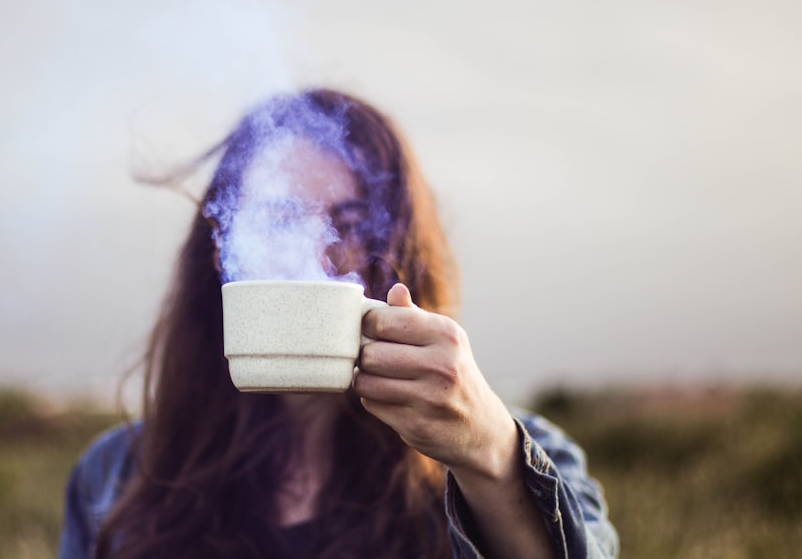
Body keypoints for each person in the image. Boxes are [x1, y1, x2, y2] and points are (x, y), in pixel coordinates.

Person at [58, 89, 618, 559]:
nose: (321, 252)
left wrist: (490, 456)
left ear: (397, 247)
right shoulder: (113, 476)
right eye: (279, 217)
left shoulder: (519, 454)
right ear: (218, 247)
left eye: (351, 222)